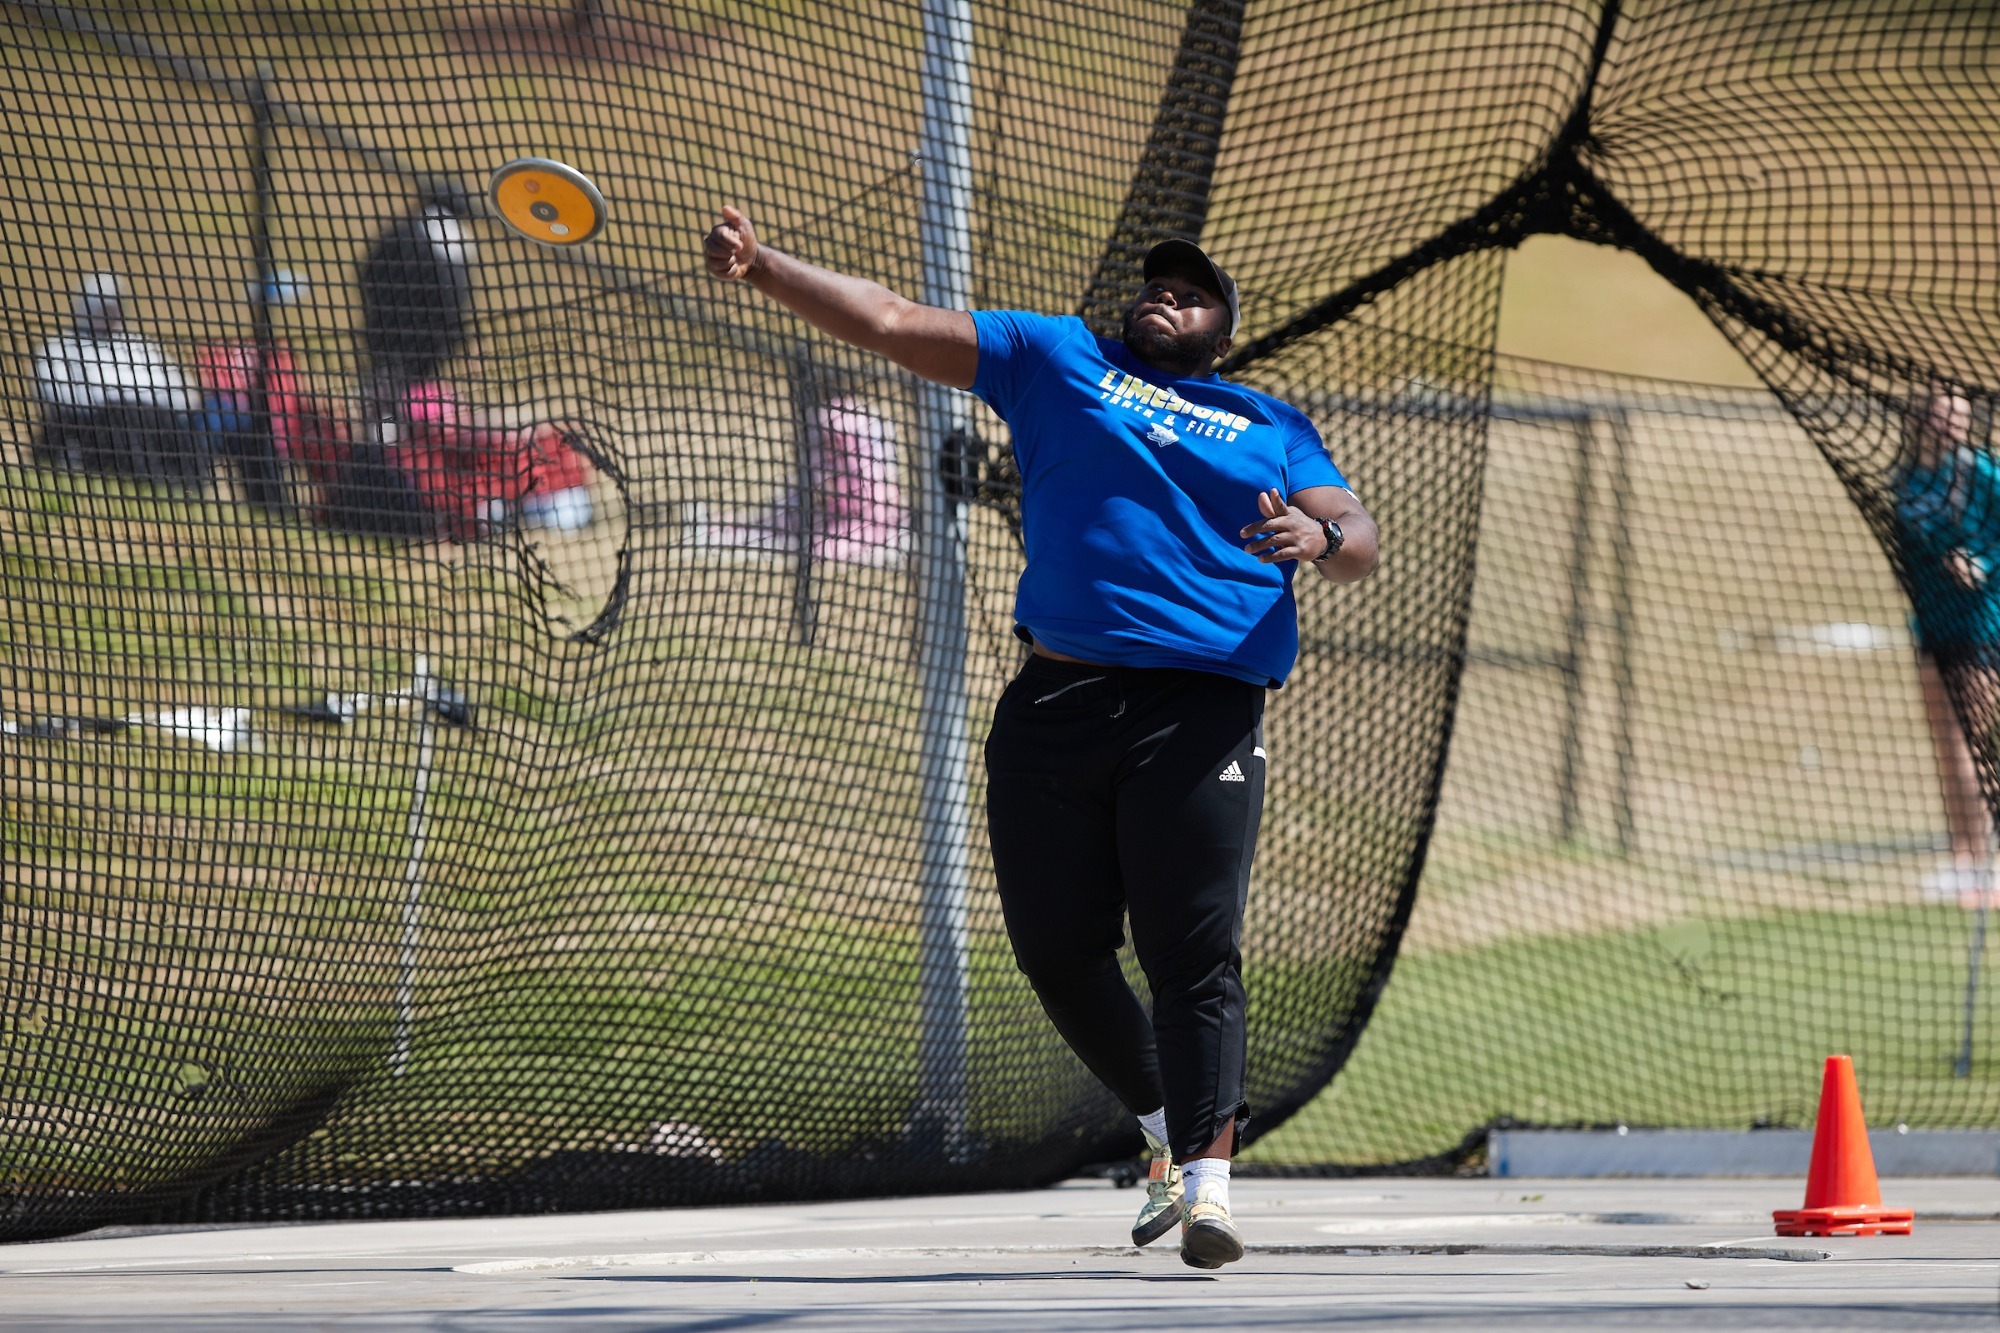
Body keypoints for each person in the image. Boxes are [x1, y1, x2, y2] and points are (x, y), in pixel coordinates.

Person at [704, 206, 1378, 1269]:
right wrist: (762, 268)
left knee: (1189, 951)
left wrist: (1322, 532)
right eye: (1156, 284)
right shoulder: (1055, 357)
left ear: (1222, 330)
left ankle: (1209, 1193)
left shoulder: (1265, 421)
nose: (1166, 296)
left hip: (1199, 708)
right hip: (1056, 700)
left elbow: (1358, 536)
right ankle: (1165, 1132)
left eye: (1193, 293)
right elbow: (889, 319)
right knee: (1056, 951)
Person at [1894, 389, 2000, 909]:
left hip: (1981, 627)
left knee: (1975, 746)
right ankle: (1964, 857)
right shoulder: (1909, 477)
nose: (1950, 424)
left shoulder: (1984, 473)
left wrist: (1981, 561)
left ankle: (1987, 861)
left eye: (1957, 415)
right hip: (1932, 626)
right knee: (1948, 746)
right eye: (1941, 415)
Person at [687, 383, 905, 565]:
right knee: (781, 522)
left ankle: (714, 530)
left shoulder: (828, 416)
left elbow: (829, 478)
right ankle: (714, 528)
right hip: (875, 509)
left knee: (795, 536)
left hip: (849, 513)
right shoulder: (868, 414)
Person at [31, 272, 211, 489]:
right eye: (103, 307)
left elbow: (181, 394)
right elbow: (56, 396)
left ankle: (186, 483)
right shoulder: (61, 348)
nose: (109, 314)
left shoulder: (139, 346)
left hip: (147, 423)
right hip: (96, 427)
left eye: (113, 306)